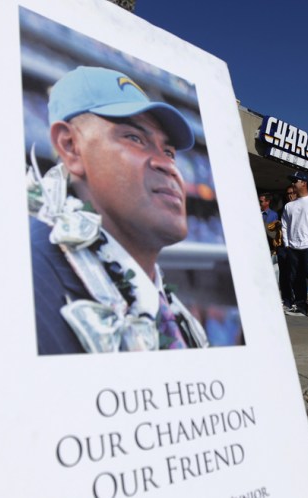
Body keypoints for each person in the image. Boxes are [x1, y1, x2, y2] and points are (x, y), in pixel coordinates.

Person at [27, 66, 210, 354]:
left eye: (169, 152)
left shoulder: (167, 304)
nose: (168, 166)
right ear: (71, 146)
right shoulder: (31, 282)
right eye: (135, 138)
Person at [281, 171, 308, 318]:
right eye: (293, 181)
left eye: (296, 181)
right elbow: (285, 226)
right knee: (296, 277)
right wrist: (287, 244)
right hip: (293, 246)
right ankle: (300, 306)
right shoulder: (289, 206)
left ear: (304, 183)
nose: (293, 184)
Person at [276, 185, 298, 310]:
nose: (290, 195)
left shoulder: (301, 208)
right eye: (288, 193)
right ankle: (286, 300)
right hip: (283, 246)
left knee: (294, 275)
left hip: (296, 246)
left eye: (293, 193)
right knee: (283, 275)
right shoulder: (282, 210)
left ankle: (296, 300)